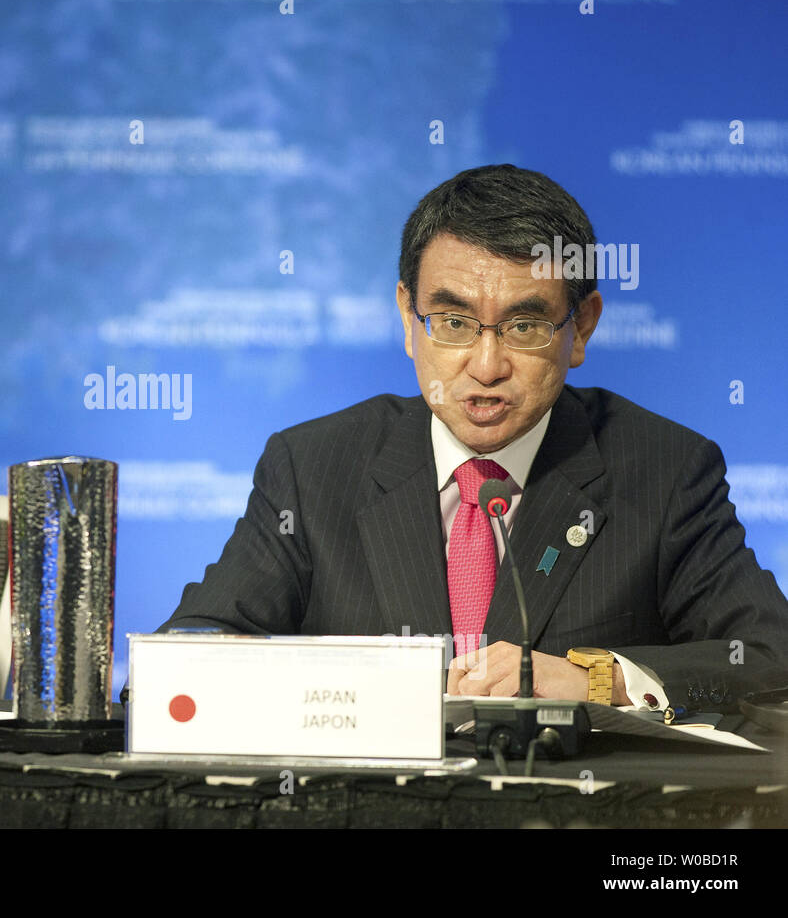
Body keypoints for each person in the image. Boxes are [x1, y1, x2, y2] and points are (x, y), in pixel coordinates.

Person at [160, 164, 788, 714]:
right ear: (410, 320)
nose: (486, 366)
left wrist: (599, 681)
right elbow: (195, 646)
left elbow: (767, 658)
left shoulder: (665, 470)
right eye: (455, 322)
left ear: (581, 328)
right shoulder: (313, 466)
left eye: (525, 324)